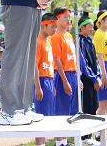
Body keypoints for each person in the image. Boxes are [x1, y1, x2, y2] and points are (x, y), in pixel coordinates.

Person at [51, 7, 77, 146]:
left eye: (69, 16)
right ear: (57, 19)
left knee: (70, 108)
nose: (68, 19)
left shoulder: (69, 36)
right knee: (61, 109)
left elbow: (72, 58)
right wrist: (65, 81)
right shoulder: (55, 37)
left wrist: (76, 77)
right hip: (62, 75)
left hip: (72, 73)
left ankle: (65, 141)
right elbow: (57, 60)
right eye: (65, 17)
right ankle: (59, 141)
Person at [34, 13, 58, 146]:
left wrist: (52, 84)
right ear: (43, 26)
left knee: (48, 114)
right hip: (41, 80)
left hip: (49, 80)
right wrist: (38, 86)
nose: (55, 29)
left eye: (56, 26)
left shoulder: (48, 41)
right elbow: (34, 65)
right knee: (41, 115)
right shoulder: (38, 42)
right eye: (52, 26)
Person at [93, 10, 107, 143]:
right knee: (102, 104)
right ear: (101, 20)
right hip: (103, 67)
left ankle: (105, 132)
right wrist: (104, 74)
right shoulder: (99, 34)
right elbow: (99, 56)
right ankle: (99, 133)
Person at [77, 16, 102, 145]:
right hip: (86, 80)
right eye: (90, 26)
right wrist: (93, 78)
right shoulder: (79, 41)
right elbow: (83, 62)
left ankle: (90, 136)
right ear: (83, 27)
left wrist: (98, 76)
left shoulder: (90, 41)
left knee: (94, 106)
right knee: (86, 107)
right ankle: (83, 136)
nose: (92, 29)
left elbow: (95, 60)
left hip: (94, 80)